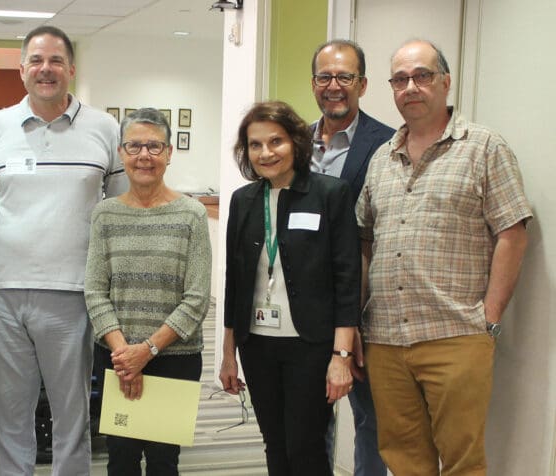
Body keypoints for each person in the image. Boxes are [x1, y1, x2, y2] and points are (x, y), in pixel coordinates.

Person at [357, 39, 531, 475]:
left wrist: (488, 318)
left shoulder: (484, 147)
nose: (410, 87)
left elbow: (512, 233)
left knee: (462, 462)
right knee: (403, 459)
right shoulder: (381, 158)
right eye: (400, 79)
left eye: (422, 75)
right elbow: (364, 239)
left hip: (455, 334)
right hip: (386, 340)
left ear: (446, 82)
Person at [0, 25, 128, 475]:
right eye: (37, 61)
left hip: (73, 293)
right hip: (2, 294)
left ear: (71, 69)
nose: (46, 70)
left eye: (56, 61)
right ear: (22, 69)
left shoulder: (104, 127)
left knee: (72, 417)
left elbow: (119, 213)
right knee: (9, 416)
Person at [219, 101, 360, 475]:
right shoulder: (243, 200)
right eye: (255, 145)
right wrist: (229, 354)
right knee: (275, 443)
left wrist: (341, 357)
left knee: (306, 445)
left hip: (309, 344)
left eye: (276, 141)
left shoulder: (330, 194)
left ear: (295, 142)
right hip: (258, 343)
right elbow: (235, 282)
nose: (266, 153)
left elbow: (347, 279)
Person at [84, 108, 211, 475]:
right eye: (134, 146)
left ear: (169, 153)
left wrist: (149, 350)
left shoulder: (191, 214)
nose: (144, 156)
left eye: (154, 147)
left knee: (162, 461)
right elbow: (94, 291)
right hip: (117, 358)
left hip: (175, 357)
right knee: (121, 459)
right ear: (121, 153)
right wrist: (126, 354)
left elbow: (197, 297)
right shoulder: (105, 215)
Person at [309, 39, 392, 476]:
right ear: (313, 83)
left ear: (362, 84)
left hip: (364, 306)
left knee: (371, 419)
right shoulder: (295, 144)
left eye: (344, 77)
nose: (334, 86)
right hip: (304, 308)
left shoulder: (388, 144)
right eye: (325, 76)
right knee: (309, 421)